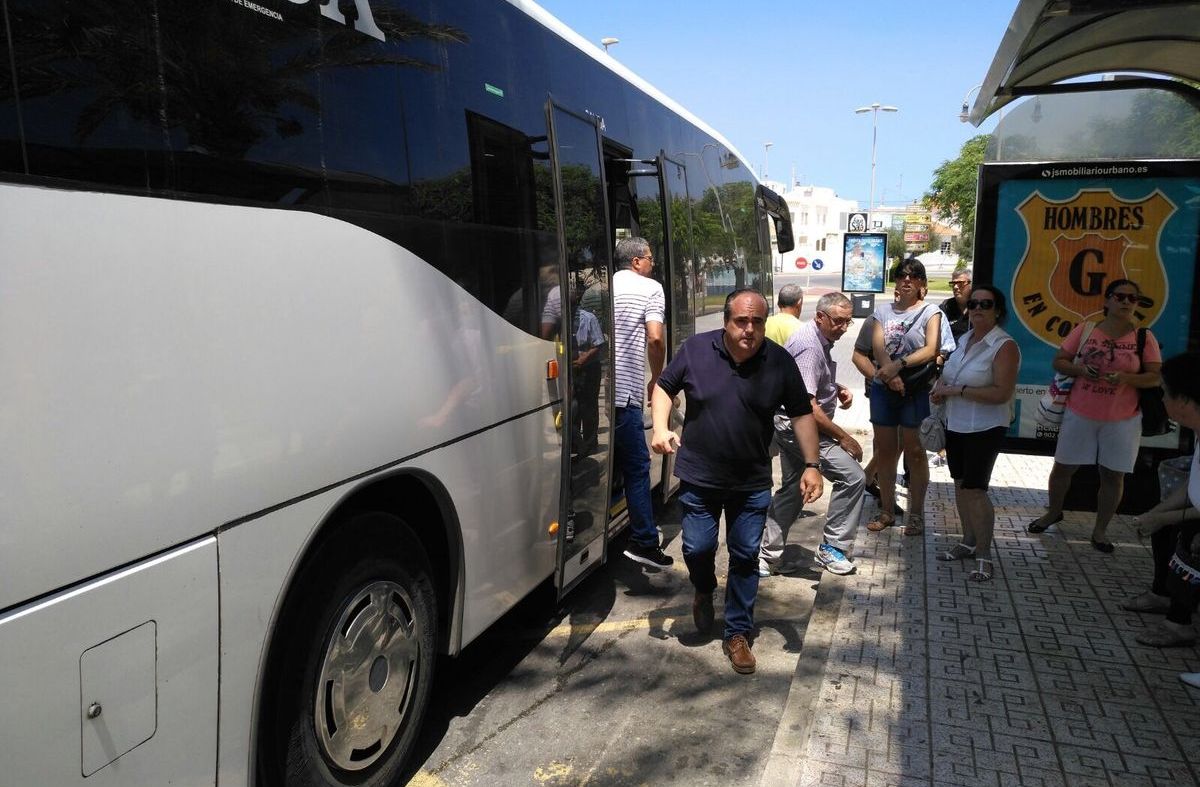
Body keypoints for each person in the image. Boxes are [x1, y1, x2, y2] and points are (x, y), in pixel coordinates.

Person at [651, 289, 822, 675]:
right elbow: (664, 386)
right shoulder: (696, 350)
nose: (749, 329)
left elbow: (802, 413)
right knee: (697, 547)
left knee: (745, 556)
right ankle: (703, 587)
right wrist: (660, 427)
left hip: (750, 480)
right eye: (741, 321)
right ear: (726, 321)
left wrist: (812, 464)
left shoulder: (778, 362)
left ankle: (738, 633)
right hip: (699, 475)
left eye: (757, 322)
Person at [1027, 279, 1162, 551]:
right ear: (1107, 300)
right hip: (1080, 413)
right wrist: (1079, 370)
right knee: (1063, 467)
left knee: (1113, 475)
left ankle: (1100, 531)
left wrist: (1125, 378)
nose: (1125, 302)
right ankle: (1053, 512)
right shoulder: (1086, 329)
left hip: (1123, 419)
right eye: (1119, 296)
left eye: (1132, 298)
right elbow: (1059, 361)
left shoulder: (1144, 337)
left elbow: (1154, 377)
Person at [761, 292, 864, 577]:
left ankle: (767, 557)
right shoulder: (809, 344)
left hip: (796, 424)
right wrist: (844, 437)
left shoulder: (818, 338)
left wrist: (834, 386)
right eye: (838, 321)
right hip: (798, 427)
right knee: (853, 477)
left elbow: (806, 384)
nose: (843, 327)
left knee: (794, 489)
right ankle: (832, 547)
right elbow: (806, 406)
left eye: (848, 321)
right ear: (820, 317)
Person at [930, 285, 1020, 582]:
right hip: (956, 423)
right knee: (959, 485)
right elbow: (949, 377)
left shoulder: (1004, 346)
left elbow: (1002, 393)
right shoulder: (965, 339)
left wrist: (959, 390)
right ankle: (967, 542)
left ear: (998, 311)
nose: (978, 308)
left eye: (986, 304)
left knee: (975, 490)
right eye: (974, 303)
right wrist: (941, 391)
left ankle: (984, 555)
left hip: (985, 427)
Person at [1122, 352, 1200, 652]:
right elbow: (1194, 486)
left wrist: (1162, 518)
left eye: (1164, 393)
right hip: (1193, 512)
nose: (1161, 399)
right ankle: (1169, 607)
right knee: (1166, 531)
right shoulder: (1196, 430)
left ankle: (1179, 624)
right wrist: (1156, 513)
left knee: (1187, 542)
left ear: (1184, 399)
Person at [867, 257, 945, 536]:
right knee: (885, 452)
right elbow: (877, 346)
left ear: (922, 283)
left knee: (915, 451)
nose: (907, 280)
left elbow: (931, 348)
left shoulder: (930, 312)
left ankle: (916, 514)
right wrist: (889, 374)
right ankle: (887, 510)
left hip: (915, 388)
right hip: (884, 388)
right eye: (901, 276)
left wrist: (898, 366)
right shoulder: (882, 312)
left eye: (913, 276)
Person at [611, 237, 672, 568]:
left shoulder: (603, 287)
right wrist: (657, 377)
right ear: (636, 261)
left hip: (598, 390)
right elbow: (656, 337)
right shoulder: (650, 289)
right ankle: (645, 542)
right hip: (626, 393)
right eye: (649, 258)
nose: (652, 264)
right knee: (638, 467)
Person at [939, 268, 973, 342]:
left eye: (960, 283)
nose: (955, 287)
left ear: (971, 284)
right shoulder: (946, 307)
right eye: (953, 284)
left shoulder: (978, 306)